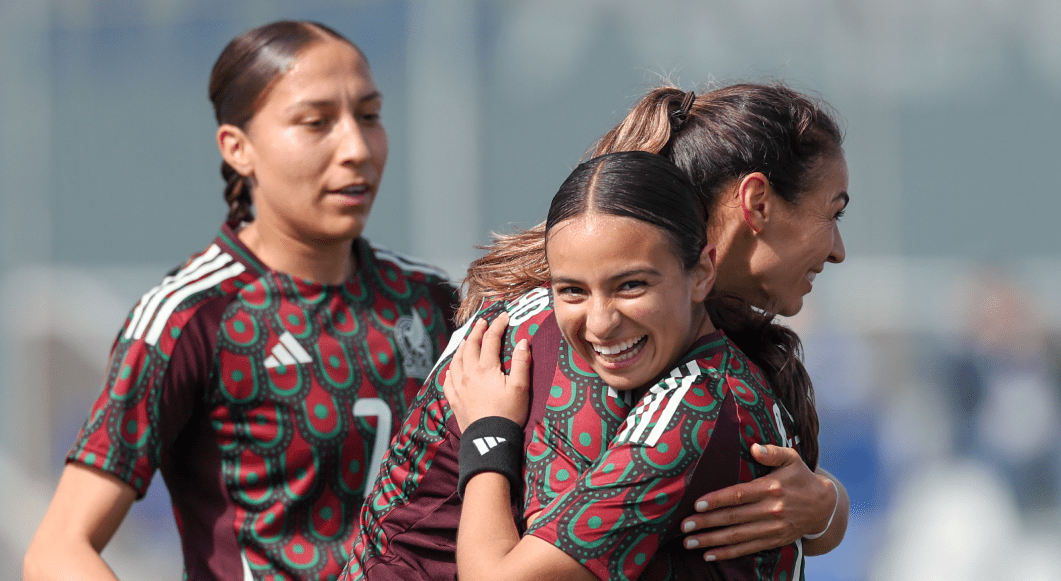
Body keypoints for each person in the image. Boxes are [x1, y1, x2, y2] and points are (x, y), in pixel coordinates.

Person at [345, 81, 848, 580]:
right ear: (757, 202)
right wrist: (488, 434)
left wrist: (825, 505)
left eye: (630, 286)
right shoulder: (586, 346)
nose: (837, 248)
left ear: (701, 274)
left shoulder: (677, 339)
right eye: (833, 212)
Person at [23, 20, 456, 581]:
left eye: (369, 116)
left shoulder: (430, 303)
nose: (355, 148)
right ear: (238, 148)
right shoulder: (190, 317)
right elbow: (58, 549)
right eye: (316, 122)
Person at [449, 150, 817, 580]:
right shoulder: (712, 376)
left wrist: (488, 432)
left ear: (701, 273)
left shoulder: (693, 409)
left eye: (631, 285)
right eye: (572, 291)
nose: (601, 324)